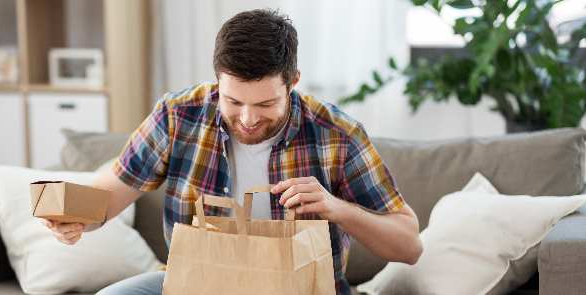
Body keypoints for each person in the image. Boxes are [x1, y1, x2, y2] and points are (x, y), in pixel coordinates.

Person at [42, 8, 422, 295]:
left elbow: (408, 246)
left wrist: (335, 208)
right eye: (233, 100)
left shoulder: (336, 135)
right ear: (217, 80)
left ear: (293, 82)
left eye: (265, 104)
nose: (247, 118)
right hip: (196, 284)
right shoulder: (178, 116)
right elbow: (107, 197)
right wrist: (74, 218)